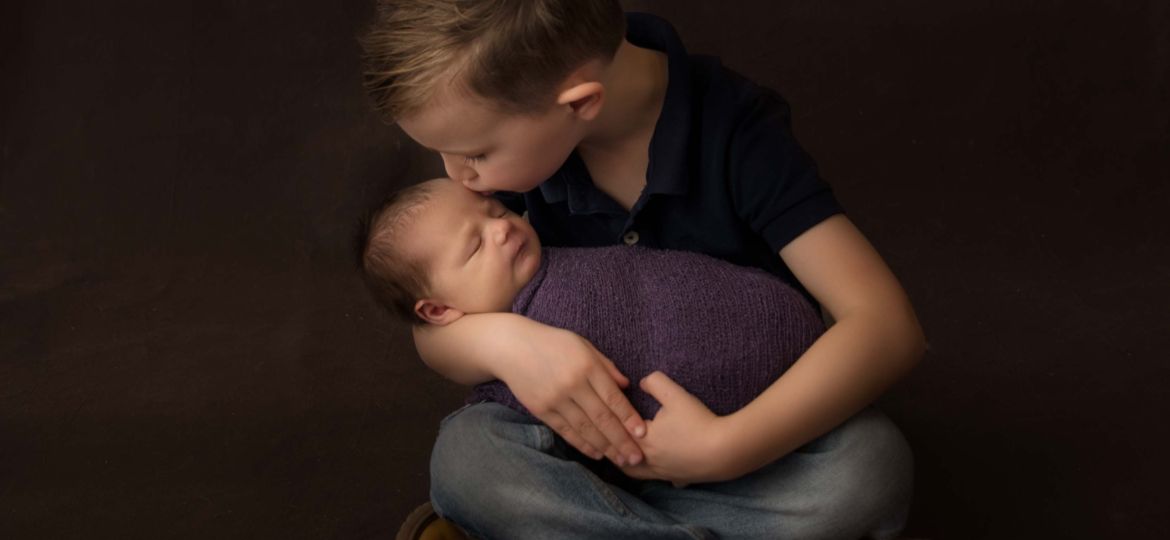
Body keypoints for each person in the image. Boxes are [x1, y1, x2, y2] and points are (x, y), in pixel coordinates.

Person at [361, 1, 925, 538]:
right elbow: (433, 329)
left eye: (476, 154)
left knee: (869, 466)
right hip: (585, 441)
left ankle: (582, 527)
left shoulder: (739, 135)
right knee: (467, 458)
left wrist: (724, 447)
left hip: (743, 442)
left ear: (580, 103)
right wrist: (505, 343)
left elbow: (886, 325)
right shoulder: (520, 160)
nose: (460, 178)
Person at [361, 177, 827, 421]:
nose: (502, 226)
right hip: (628, 455)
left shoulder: (555, 236)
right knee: (470, 455)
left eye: (497, 211)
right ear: (439, 309)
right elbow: (431, 341)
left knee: (871, 462)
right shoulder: (495, 367)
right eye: (476, 245)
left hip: (770, 416)